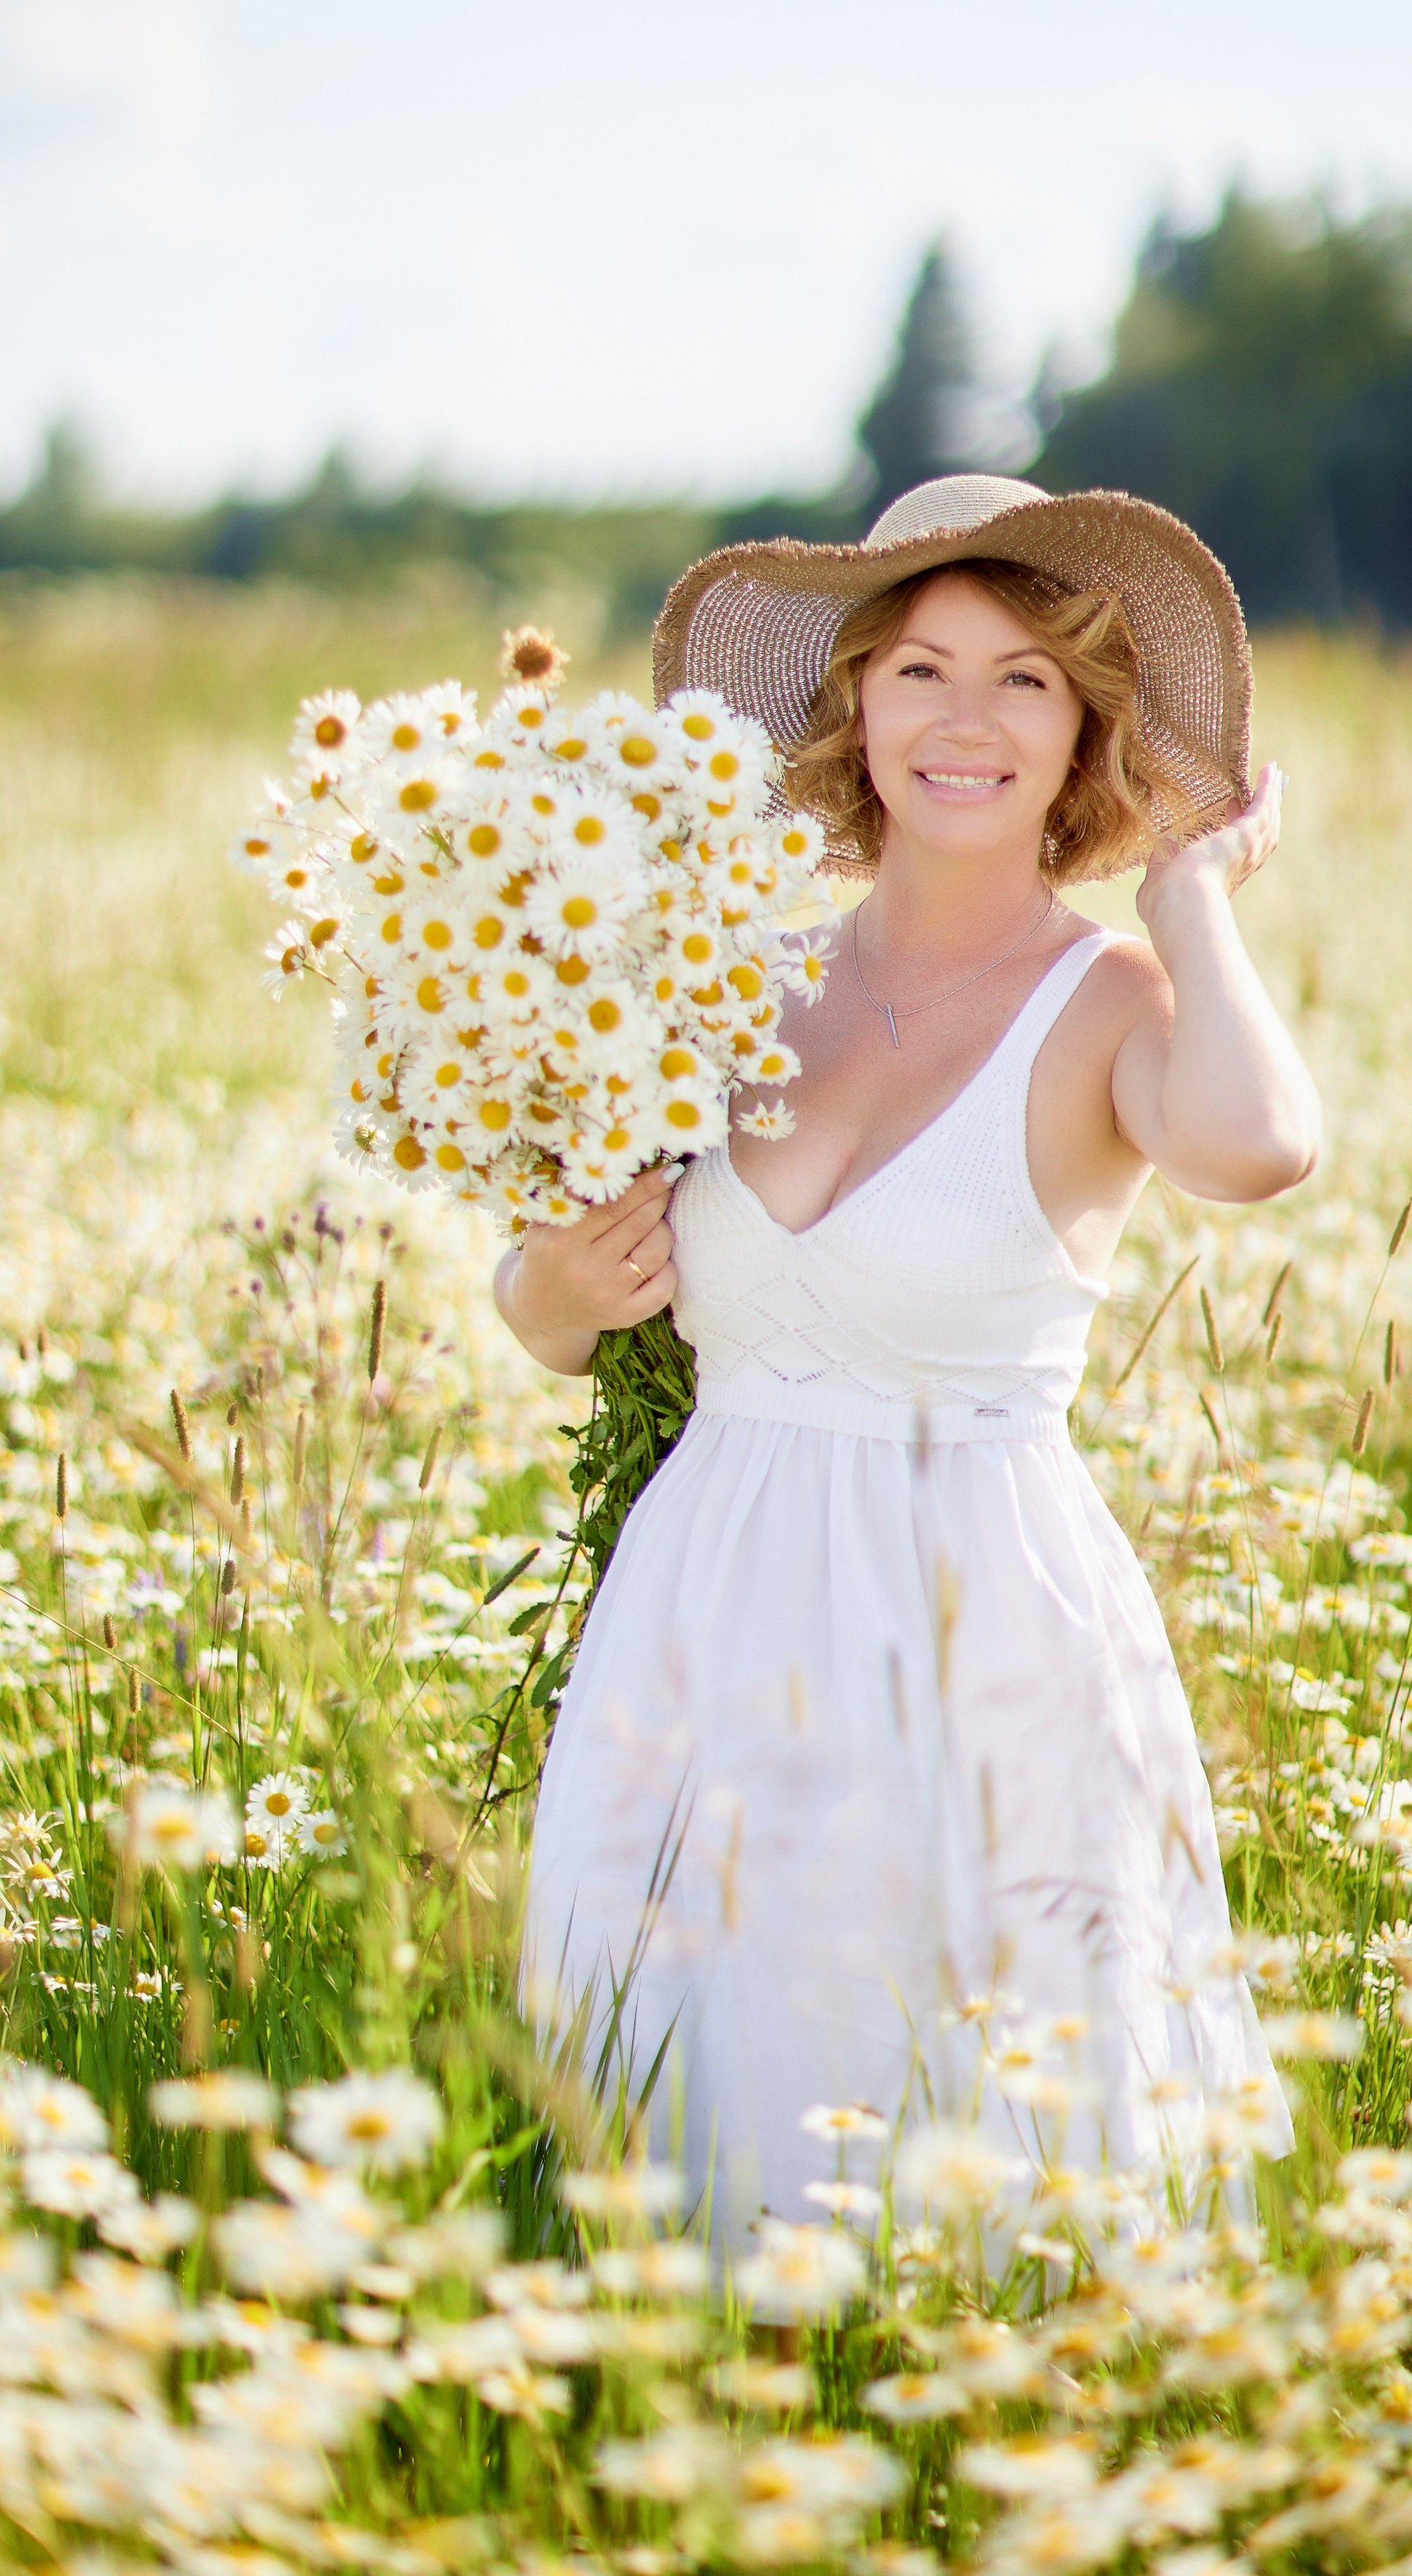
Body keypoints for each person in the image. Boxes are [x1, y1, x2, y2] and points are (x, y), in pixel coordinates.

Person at [501, 474, 1320, 2238]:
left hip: (973, 1634)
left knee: (971, 2147)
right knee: (683, 2138)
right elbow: (550, 1309)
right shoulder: (728, 984)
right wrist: (557, 1288)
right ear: (853, 706)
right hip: (700, 1620)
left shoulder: (1108, 1004)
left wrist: (1191, 901)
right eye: (921, 672)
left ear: (1082, 731)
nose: (965, 722)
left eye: (1024, 681)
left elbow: (1258, 1149)